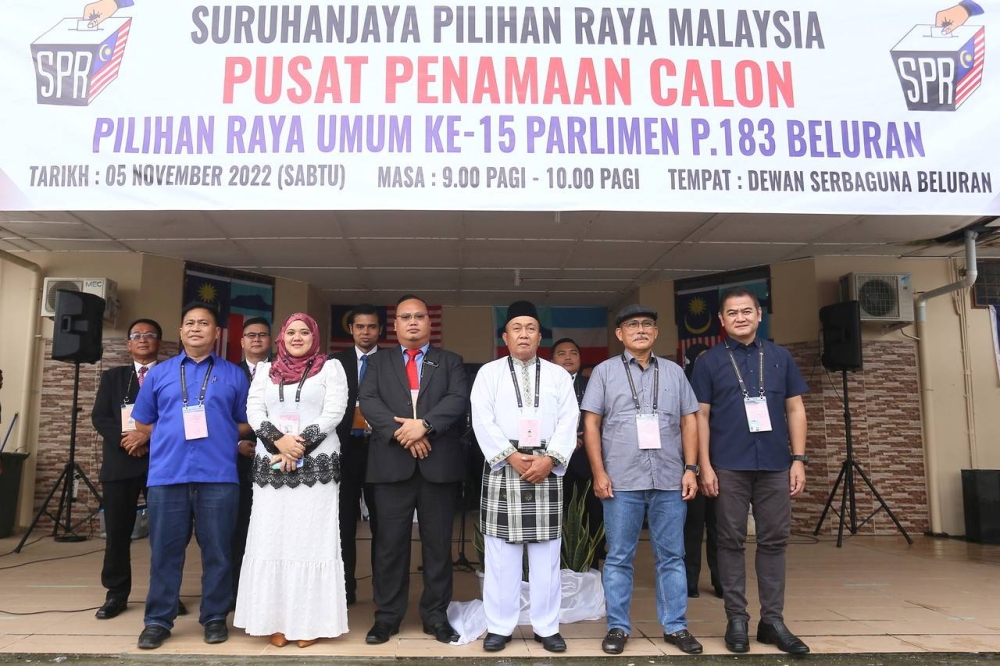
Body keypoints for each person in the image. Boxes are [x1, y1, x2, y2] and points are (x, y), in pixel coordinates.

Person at [690, 286, 810, 656]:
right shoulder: (708, 361)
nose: (740, 318)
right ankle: (736, 619)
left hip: (776, 464)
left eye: (747, 311)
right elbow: (701, 416)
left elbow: (795, 409)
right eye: (733, 313)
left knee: (774, 542)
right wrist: (704, 466)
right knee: (729, 541)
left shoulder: (780, 357)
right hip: (728, 465)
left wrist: (798, 459)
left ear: (759, 315)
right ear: (722, 321)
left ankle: (772, 621)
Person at [581, 304, 703, 656]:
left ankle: (676, 627)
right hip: (621, 481)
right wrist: (599, 472)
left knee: (672, 557)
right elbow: (591, 424)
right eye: (632, 325)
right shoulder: (604, 372)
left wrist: (691, 468)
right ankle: (618, 626)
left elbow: (690, 421)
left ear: (656, 331)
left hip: (669, 478)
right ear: (619, 334)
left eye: (647, 324)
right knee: (619, 557)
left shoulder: (675, 372)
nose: (640, 329)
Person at [130, 302, 252, 650]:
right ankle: (157, 620)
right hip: (168, 474)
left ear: (216, 334)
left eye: (204, 323)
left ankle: (214, 617)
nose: (196, 328)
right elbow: (142, 420)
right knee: (165, 552)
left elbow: (246, 420)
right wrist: (171, 431)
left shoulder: (233, 374)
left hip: (218, 474)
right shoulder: (160, 374)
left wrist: (223, 431)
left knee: (218, 551)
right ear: (181, 332)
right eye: (189, 323)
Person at [358, 294, 469, 646]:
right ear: (395, 325)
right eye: (406, 317)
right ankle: (387, 617)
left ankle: (436, 616)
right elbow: (369, 401)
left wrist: (426, 426)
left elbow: (456, 400)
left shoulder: (450, 361)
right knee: (389, 547)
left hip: (438, 467)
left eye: (419, 316)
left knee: (438, 547)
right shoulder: (378, 363)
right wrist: (404, 434)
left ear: (429, 322)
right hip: (391, 467)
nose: (413, 322)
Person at [234, 313, 350, 648]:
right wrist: (278, 441)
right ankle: (275, 621)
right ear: (281, 337)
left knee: (310, 540)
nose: (297, 337)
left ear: (315, 336)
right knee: (272, 539)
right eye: (291, 332)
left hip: (316, 468)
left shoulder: (330, 368)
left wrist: (297, 445)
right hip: (271, 468)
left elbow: (334, 412)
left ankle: (308, 623)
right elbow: (255, 411)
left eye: (304, 332)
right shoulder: (265, 370)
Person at [471, 301, 578, 653]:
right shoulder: (488, 373)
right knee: (501, 554)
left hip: (546, 466)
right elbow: (481, 418)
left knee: (547, 555)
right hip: (505, 467)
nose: (524, 334)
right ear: (505, 336)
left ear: (539, 336)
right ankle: (500, 626)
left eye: (531, 328)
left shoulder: (559, 375)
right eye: (517, 328)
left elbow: (568, 420)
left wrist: (550, 459)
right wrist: (511, 456)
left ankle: (546, 627)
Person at [90, 319, 162, 620]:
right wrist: (128, 440)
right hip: (121, 463)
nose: (143, 340)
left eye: (149, 335)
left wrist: (147, 435)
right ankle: (116, 594)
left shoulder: (172, 374)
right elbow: (100, 417)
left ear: (159, 341)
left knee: (165, 535)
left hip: (160, 463)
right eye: (136, 336)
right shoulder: (113, 377)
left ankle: (163, 593)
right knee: (118, 533)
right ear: (128, 344)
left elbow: (178, 416)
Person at [331, 304, 382, 606]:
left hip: (380, 452)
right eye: (360, 327)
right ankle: (345, 590)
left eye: (371, 327)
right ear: (351, 329)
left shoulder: (390, 362)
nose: (365, 332)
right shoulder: (334, 363)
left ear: (379, 330)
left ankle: (383, 591)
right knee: (342, 525)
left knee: (383, 526)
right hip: (343, 452)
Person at [551, 337, 604, 568]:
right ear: (552, 360)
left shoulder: (592, 384)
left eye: (573, 353)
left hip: (588, 463)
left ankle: (589, 570)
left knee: (591, 519)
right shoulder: (545, 385)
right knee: (556, 521)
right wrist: (565, 438)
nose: (568, 357)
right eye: (561, 353)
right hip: (552, 465)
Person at [232, 317, 271, 610]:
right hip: (235, 461)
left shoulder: (284, 371)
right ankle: (236, 590)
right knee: (238, 527)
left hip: (275, 459)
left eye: (262, 335)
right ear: (242, 341)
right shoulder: (227, 372)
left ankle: (267, 591)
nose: (256, 340)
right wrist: (237, 443)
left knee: (269, 528)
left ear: (270, 340)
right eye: (250, 335)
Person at [680, 343, 722, 599]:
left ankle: (721, 581)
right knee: (692, 527)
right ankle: (689, 581)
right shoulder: (683, 386)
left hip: (721, 463)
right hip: (690, 466)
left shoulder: (720, 385)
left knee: (720, 527)